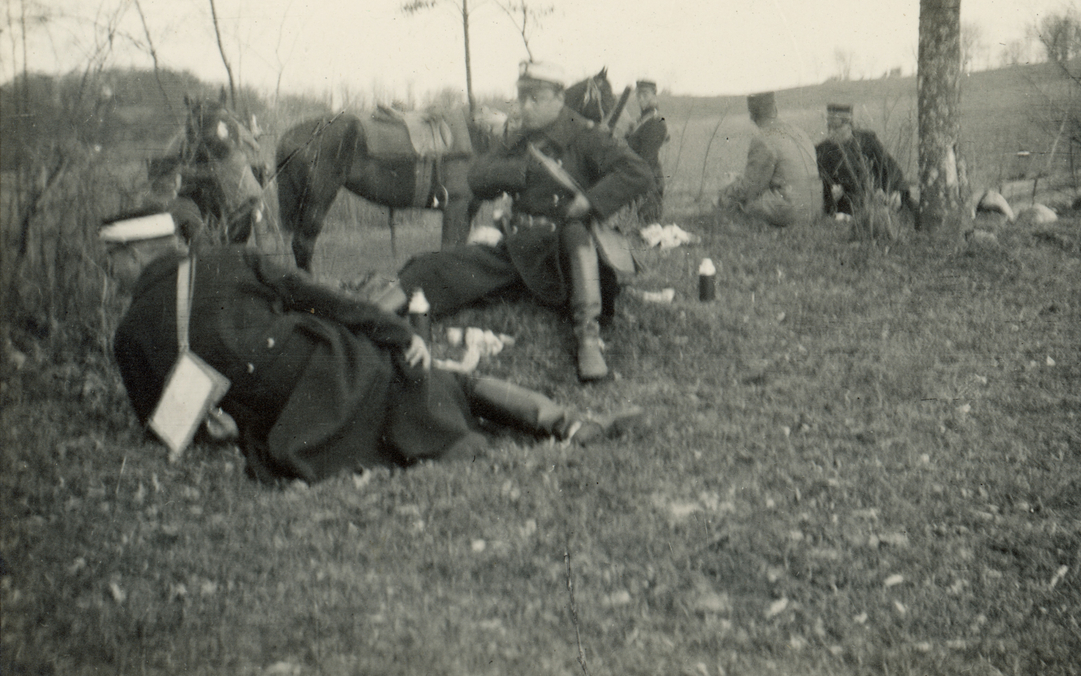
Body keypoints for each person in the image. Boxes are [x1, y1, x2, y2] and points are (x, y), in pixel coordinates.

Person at [103, 207, 632, 485]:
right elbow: (322, 300)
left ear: (131, 257)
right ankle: (566, 425)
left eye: (113, 261)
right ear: (172, 244)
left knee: (418, 408)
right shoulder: (229, 260)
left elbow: (163, 426)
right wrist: (399, 334)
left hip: (290, 429)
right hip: (337, 368)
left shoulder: (128, 336)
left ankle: (517, 436)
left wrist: (215, 436)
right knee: (446, 382)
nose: (113, 271)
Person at [397, 61, 655, 382]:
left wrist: (589, 201)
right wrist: (519, 173)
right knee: (433, 268)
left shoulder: (587, 135)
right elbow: (476, 177)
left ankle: (588, 339)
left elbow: (637, 172)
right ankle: (375, 312)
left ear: (559, 98)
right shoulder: (519, 139)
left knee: (576, 236)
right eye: (521, 98)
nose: (525, 107)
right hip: (520, 250)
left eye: (535, 98)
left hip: (566, 259)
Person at [717, 91, 812, 227]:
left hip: (790, 210)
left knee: (741, 204)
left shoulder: (763, 139)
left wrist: (727, 190)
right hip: (813, 208)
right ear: (775, 108)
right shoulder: (799, 132)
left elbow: (751, 188)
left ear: (752, 115)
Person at [815, 104, 914, 216]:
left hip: (879, 202)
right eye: (830, 126)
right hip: (846, 209)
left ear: (849, 125)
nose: (832, 131)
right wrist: (831, 197)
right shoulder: (821, 150)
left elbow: (890, 167)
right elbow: (818, 190)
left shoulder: (867, 141)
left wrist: (898, 191)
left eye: (837, 127)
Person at [623, 79, 669, 224]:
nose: (641, 98)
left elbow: (646, 159)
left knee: (646, 224)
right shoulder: (641, 120)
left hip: (649, 183)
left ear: (655, 96)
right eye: (639, 95)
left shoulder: (656, 121)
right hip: (638, 177)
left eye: (645, 94)